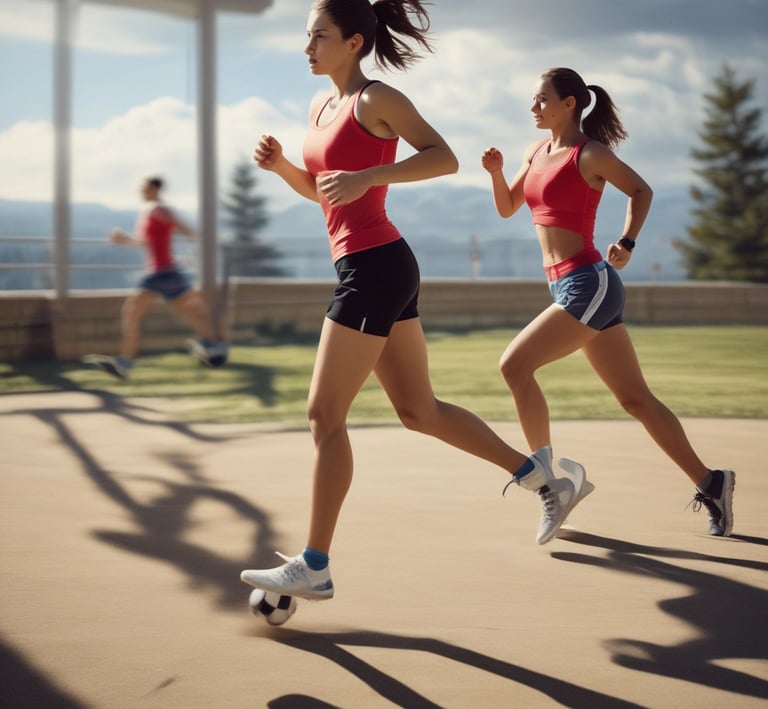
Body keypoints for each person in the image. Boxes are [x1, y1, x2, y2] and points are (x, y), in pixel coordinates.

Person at [239, 2, 591, 603]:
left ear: (352, 42)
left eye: (318, 37)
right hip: (371, 266)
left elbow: (443, 157)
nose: (307, 48)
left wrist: (369, 179)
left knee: (325, 416)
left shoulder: (377, 100)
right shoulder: (320, 106)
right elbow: (327, 196)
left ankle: (315, 564)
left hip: (375, 269)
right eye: (306, 37)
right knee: (419, 411)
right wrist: (283, 170)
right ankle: (542, 481)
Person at [481, 67, 734, 538]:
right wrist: (497, 174)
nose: (533, 107)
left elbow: (641, 190)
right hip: (564, 286)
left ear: (569, 103)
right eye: (533, 101)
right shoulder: (535, 151)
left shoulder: (590, 153)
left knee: (514, 366)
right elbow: (507, 206)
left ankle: (551, 484)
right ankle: (712, 482)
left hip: (588, 283)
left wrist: (628, 241)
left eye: (541, 100)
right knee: (635, 399)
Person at [83, 176, 228, 379]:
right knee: (189, 311)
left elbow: (187, 231)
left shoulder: (162, 210)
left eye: (145, 188)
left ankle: (125, 363)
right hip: (163, 273)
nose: (141, 191)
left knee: (135, 311)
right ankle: (213, 347)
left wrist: (207, 241)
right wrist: (124, 239)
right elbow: (144, 241)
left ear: (154, 189)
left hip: (163, 273)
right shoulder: (148, 212)